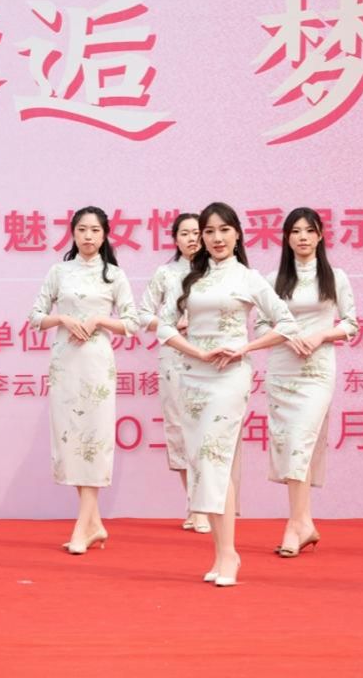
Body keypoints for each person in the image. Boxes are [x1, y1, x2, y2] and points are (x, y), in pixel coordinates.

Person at [159, 202, 298, 586]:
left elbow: (286, 324)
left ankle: (228, 555)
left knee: (215, 458)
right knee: (203, 464)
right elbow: (164, 327)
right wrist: (197, 352)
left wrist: (245, 348)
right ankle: (224, 553)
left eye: (224, 230)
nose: (217, 238)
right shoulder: (192, 278)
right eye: (209, 231)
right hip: (193, 378)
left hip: (229, 379)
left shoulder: (249, 278)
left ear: (237, 233)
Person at [29, 207, 139, 555]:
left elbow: (133, 322)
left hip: (96, 366)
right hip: (65, 364)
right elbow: (35, 316)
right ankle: (94, 523)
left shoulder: (114, 275)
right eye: (81, 229)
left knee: (95, 437)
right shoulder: (59, 271)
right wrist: (62, 318)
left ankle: (83, 524)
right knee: (71, 440)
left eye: (95, 230)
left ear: (105, 235)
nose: (88, 236)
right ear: (73, 233)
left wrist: (100, 321)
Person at [260, 208, 358, 557]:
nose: (302, 237)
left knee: (301, 439)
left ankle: (295, 524)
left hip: (317, 371)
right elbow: (260, 326)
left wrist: (321, 336)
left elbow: (351, 324)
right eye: (295, 231)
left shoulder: (335, 277)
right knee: (291, 445)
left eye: (309, 231)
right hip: (282, 370)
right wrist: (288, 338)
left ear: (320, 236)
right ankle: (303, 522)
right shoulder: (273, 279)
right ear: (287, 238)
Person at [137, 213, 209, 533]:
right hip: (174, 359)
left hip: (209, 358)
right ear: (175, 239)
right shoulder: (165, 273)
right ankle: (194, 504)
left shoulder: (214, 272)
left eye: (197, 233)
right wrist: (170, 325)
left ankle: (205, 505)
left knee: (205, 429)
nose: (192, 239)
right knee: (180, 428)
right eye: (185, 233)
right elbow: (142, 314)